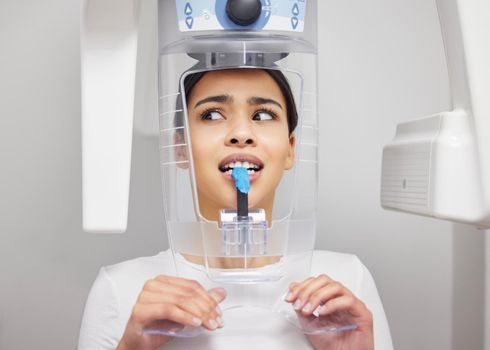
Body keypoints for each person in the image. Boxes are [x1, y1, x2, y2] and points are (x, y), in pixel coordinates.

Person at [78, 69, 393, 350]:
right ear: (179, 148)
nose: (241, 134)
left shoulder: (347, 283)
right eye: (213, 115)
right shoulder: (122, 289)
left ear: (290, 149)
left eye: (263, 115)